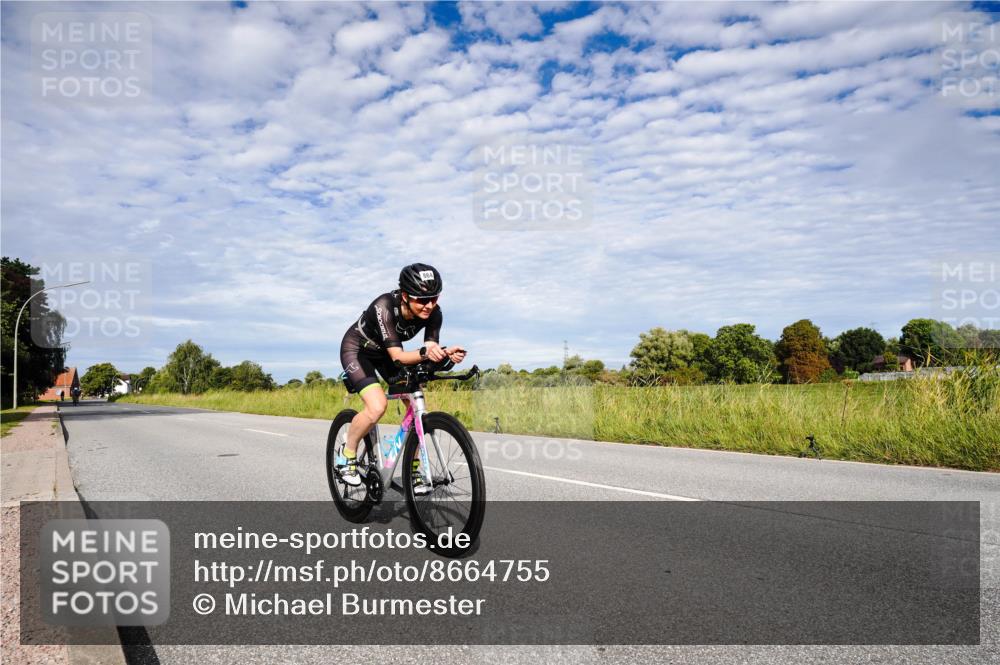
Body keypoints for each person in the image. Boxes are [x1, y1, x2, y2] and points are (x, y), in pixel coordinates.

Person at [337, 263, 466, 494]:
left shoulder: (434, 313)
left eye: (434, 299)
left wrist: (445, 354)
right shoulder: (384, 306)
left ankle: (415, 470)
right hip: (358, 350)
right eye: (422, 300)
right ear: (405, 295)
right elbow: (398, 356)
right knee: (377, 406)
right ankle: (346, 454)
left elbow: (429, 350)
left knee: (414, 404)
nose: (429, 306)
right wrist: (427, 354)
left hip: (386, 354)